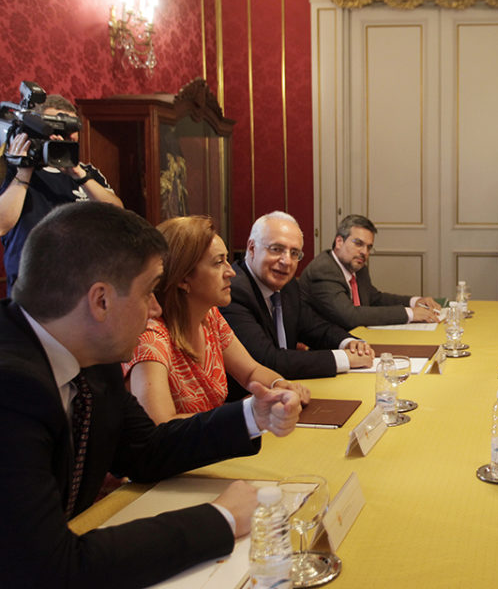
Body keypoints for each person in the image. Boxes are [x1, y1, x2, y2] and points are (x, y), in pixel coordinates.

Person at [0, 202, 302, 588]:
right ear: (101, 301)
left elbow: (146, 449)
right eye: (148, 292)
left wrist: (252, 416)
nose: (156, 309)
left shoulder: (94, 356)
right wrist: (220, 519)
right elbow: (49, 568)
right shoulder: (11, 388)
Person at [123, 216, 310, 423]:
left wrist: (280, 385)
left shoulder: (209, 316)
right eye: (218, 262)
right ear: (184, 278)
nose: (230, 272)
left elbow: (251, 372)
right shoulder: (151, 338)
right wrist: (247, 415)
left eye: (227, 260)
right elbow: (161, 427)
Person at [221, 211, 374, 378]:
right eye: (276, 249)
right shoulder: (233, 292)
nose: (286, 261)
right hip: (247, 398)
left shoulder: (288, 285)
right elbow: (267, 360)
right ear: (252, 248)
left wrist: (350, 343)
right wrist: (344, 359)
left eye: (294, 253)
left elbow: (316, 327)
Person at [0, 94, 123, 295]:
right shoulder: (10, 170)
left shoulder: (88, 173)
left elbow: (119, 217)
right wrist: (24, 170)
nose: (62, 136)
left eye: (70, 129)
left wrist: (78, 174)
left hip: (85, 292)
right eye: (54, 128)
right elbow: (2, 225)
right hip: (33, 294)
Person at [300, 214, 442, 329]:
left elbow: (375, 298)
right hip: (327, 348)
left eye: (369, 247)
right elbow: (350, 316)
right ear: (339, 242)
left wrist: (414, 301)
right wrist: (409, 314)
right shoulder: (323, 270)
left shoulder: (357, 266)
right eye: (358, 244)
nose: (364, 252)